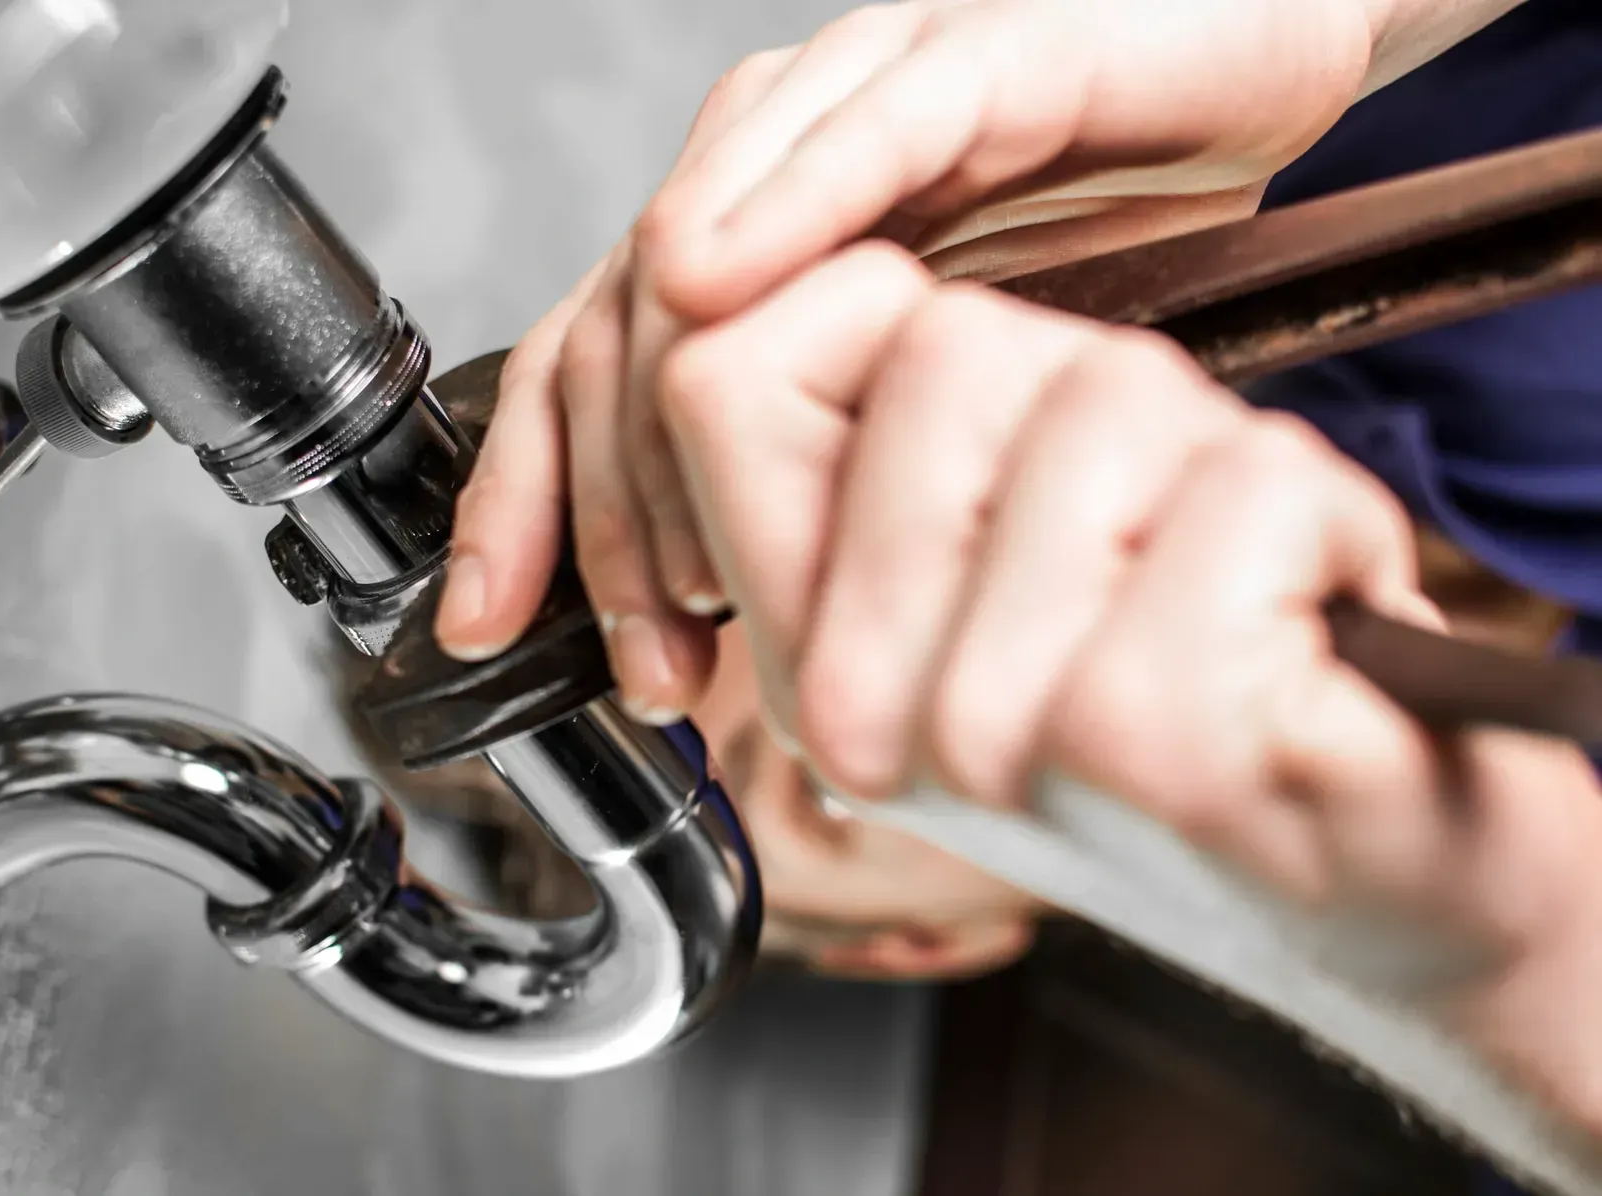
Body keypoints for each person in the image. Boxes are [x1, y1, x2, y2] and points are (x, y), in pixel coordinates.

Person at [433, 0, 1602, 1136]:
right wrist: (1532, 985)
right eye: (828, 777)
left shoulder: (1357, 151)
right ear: (924, 941)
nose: (950, 582)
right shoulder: (1550, 1028)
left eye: (828, 517)